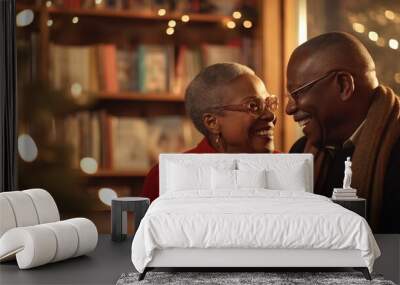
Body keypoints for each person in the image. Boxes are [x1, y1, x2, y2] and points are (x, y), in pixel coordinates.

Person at [285, 32, 400, 233]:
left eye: (297, 93)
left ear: (343, 85)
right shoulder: (302, 153)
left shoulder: (395, 150)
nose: (289, 108)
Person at [142, 62, 279, 202]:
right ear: (212, 122)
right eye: (253, 106)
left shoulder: (285, 168)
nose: (270, 116)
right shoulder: (166, 176)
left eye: (269, 104)